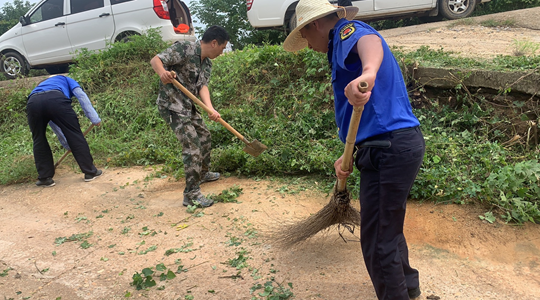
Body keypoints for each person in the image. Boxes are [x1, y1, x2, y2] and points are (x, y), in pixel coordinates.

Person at [283, 0, 426, 299]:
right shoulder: (337, 46)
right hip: (384, 145)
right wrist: (348, 153)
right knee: (387, 229)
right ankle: (409, 287)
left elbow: (370, 41)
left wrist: (369, 73)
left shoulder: (348, 31)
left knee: (377, 241)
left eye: (305, 35)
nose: (307, 44)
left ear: (314, 25)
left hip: (389, 147)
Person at [150, 25, 230, 208]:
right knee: (192, 145)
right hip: (171, 105)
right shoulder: (185, 49)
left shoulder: (207, 63)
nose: (222, 51)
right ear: (214, 42)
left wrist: (210, 109)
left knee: (204, 137)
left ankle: (202, 173)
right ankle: (191, 194)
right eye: (223, 47)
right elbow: (156, 60)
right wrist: (163, 73)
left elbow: (202, 87)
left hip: (188, 106)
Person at [26, 75, 103, 187]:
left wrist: (66, 144)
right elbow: (81, 96)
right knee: (74, 133)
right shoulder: (66, 79)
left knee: (39, 138)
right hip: (56, 99)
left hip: (33, 103)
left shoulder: (39, 87)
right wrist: (94, 118)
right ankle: (90, 172)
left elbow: (54, 123)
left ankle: (44, 178)